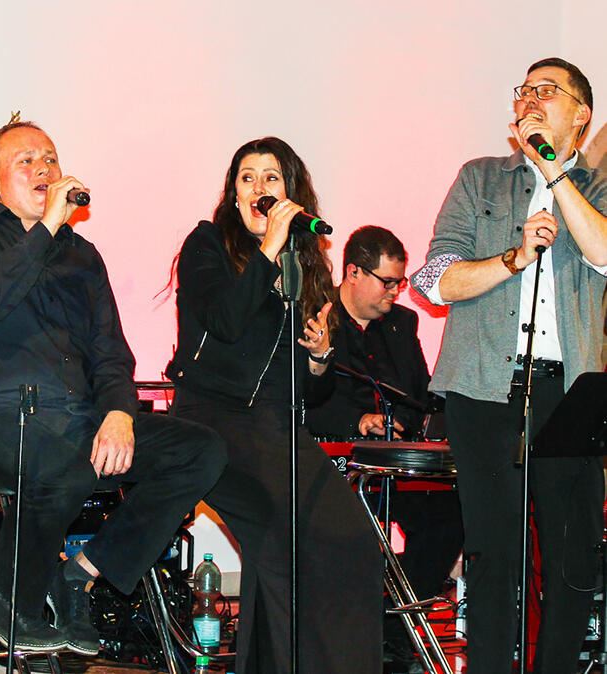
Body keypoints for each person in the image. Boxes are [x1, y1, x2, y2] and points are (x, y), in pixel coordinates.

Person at [0, 121, 227, 654]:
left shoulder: (82, 255)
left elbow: (111, 353)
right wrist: (43, 229)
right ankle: (5, 592)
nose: (43, 168)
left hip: (75, 420)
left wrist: (119, 414)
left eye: (50, 158)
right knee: (61, 458)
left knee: (199, 451)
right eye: (27, 161)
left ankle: (82, 572)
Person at [410, 57, 607, 673]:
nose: (531, 99)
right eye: (525, 90)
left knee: (574, 559)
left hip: (571, 391)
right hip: (483, 387)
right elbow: (435, 278)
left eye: (549, 91)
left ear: (581, 115)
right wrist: (514, 257)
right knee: (493, 556)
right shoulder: (479, 179)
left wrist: (555, 171)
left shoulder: (597, 189)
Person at [166, 137, 381, 674]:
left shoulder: (306, 265)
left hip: (279, 426)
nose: (259, 189)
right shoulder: (207, 245)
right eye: (247, 178)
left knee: (353, 539)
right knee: (285, 549)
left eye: (271, 178)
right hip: (214, 422)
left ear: (293, 191)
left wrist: (319, 357)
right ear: (234, 193)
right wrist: (266, 252)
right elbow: (226, 321)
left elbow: (313, 392)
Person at [306, 225, 463, 671]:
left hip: (398, 462)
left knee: (452, 518)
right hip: (338, 462)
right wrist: (357, 421)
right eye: (387, 282)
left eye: (401, 281)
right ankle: (358, 634)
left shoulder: (402, 323)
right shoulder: (315, 317)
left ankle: (391, 629)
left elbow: (419, 390)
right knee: (352, 539)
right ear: (353, 272)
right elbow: (303, 398)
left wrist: (416, 423)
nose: (397, 292)